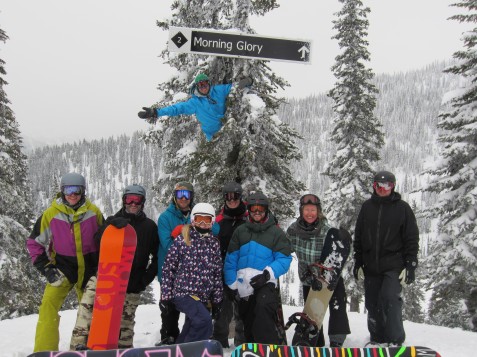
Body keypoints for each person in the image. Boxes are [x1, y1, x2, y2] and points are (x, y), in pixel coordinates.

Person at [69, 184, 159, 349]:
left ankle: (123, 351)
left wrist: (143, 281)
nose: (133, 203)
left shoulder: (150, 227)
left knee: (124, 327)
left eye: (137, 199)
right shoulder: (112, 221)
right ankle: (76, 349)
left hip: (130, 284)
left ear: (143, 202)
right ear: (124, 200)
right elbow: (97, 242)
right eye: (129, 199)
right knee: (85, 317)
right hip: (104, 279)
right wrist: (108, 226)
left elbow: (157, 258)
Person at [26, 173, 104, 353]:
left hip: (88, 268)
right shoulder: (52, 213)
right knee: (48, 305)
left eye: (77, 190)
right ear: (62, 191)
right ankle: (44, 350)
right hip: (63, 268)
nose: (73, 194)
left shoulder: (93, 212)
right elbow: (34, 242)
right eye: (68, 190)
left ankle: (89, 347)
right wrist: (46, 268)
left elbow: (104, 238)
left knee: (90, 309)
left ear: (83, 191)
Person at [353, 170, 419, 346]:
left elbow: (411, 237)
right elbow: (358, 236)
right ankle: (377, 338)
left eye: (387, 185)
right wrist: (358, 261)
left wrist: (410, 265)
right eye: (378, 185)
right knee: (372, 302)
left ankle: (395, 340)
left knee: (390, 298)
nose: (383, 189)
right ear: (374, 187)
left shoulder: (402, 208)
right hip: (371, 265)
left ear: (393, 186)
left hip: (393, 264)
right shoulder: (367, 207)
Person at [224, 192, 292, 344]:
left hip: (264, 282)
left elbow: (284, 258)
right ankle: (252, 349)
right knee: (248, 321)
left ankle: (270, 348)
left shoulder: (275, 232)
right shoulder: (240, 231)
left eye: (260, 209)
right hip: (243, 285)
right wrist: (232, 284)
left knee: (263, 308)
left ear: (266, 210)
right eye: (253, 209)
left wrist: (267, 274)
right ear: (249, 210)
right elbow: (231, 259)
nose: (257, 213)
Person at [286, 194, 350, 347]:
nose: (309, 213)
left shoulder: (327, 230)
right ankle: (315, 342)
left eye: (313, 210)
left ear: (318, 211)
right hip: (309, 279)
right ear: (301, 211)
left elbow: (337, 256)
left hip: (330, 277)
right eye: (306, 210)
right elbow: (284, 248)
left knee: (337, 306)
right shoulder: (293, 230)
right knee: (313, 312)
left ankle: (337, 342)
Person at [160, 203, 223, 343]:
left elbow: (216, 273)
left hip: (201, 296)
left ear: (212, 222)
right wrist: (166, 296)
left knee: (192, 325)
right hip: (184, 293)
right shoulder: (182, 241)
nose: (202, 223)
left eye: (206, 220)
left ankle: (181, 348)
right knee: (204, 321)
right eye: (199, 219)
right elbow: (168, 269)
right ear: (192, 220)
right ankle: (189, 352)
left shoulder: (213, 244)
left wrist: (217, 300)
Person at [138, 73, 253, 141]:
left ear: (209, 83)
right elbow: (177, 108)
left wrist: (248, 81)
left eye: (205, 84)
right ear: (197, 87)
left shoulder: (219, 91)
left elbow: (234, 87)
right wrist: (156, 112)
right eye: (200, 85)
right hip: (212, 137)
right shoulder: (195, 102)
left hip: (228, 132)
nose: (203, 87)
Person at [211, 181, 247, 348]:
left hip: (245, 270)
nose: (232, 200)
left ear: (240, 197)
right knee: (223, 308)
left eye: (235, 197)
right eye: (228, 197)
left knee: (244, 309)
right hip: (225, 271)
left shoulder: (249, 218)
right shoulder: (219, 221)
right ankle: (220, 342)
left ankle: (242, 342)